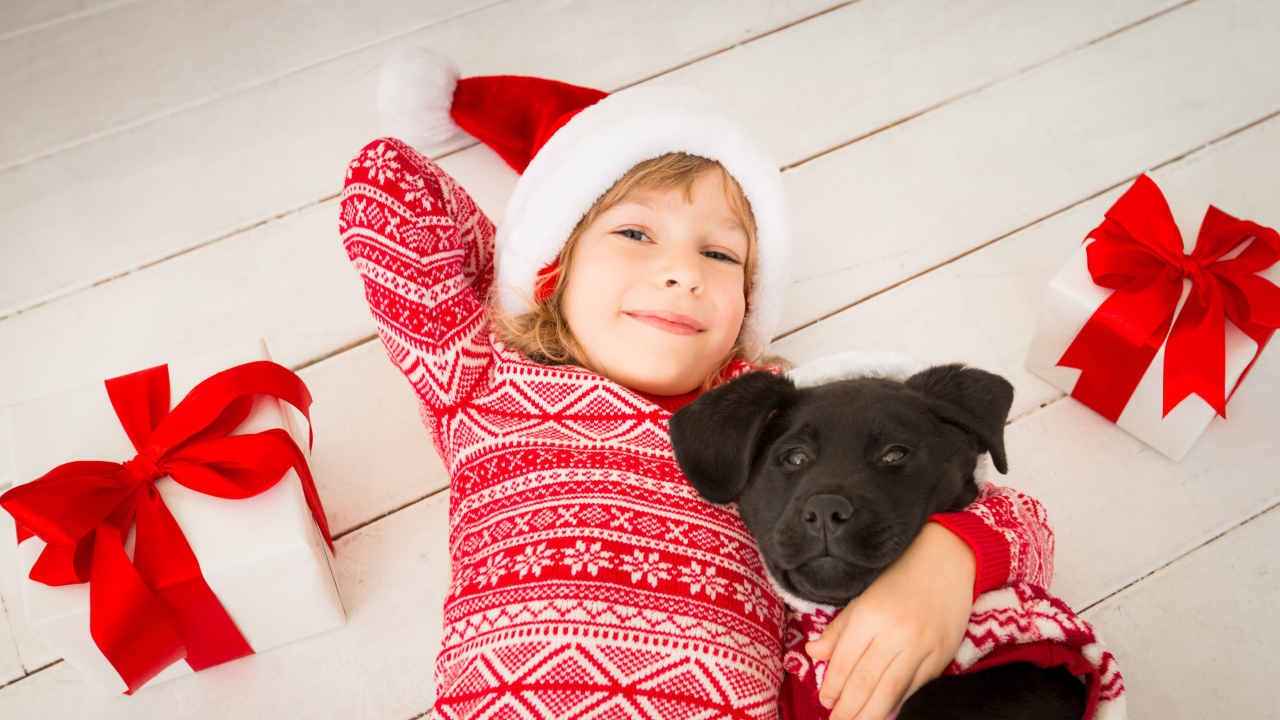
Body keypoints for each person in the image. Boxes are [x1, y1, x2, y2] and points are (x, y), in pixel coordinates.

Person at [339, 48, 1075, 720]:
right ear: (553, 268)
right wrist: (535, 220)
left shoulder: (773, 417)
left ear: (747, 305)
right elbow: (387, 184)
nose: (682, 272)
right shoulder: (483, 383)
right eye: (634, 234)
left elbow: (1014, 517)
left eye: (720, 255)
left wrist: (950, 559)